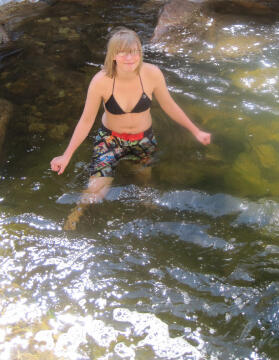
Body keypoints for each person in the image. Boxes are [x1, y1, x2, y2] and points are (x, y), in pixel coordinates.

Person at [50, 27, 211, 230]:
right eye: (123, 52)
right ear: (113, 55)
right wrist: (66, 155)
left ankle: (148, 212)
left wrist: (195, 131)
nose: (130, 57)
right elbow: (86, 120)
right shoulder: (101, 81)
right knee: (96, 189)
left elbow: (169, 105)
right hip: (110, 139)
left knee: (144, 180)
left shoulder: (152, 74)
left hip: (143, 138)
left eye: (134, 51)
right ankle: (76, 214)